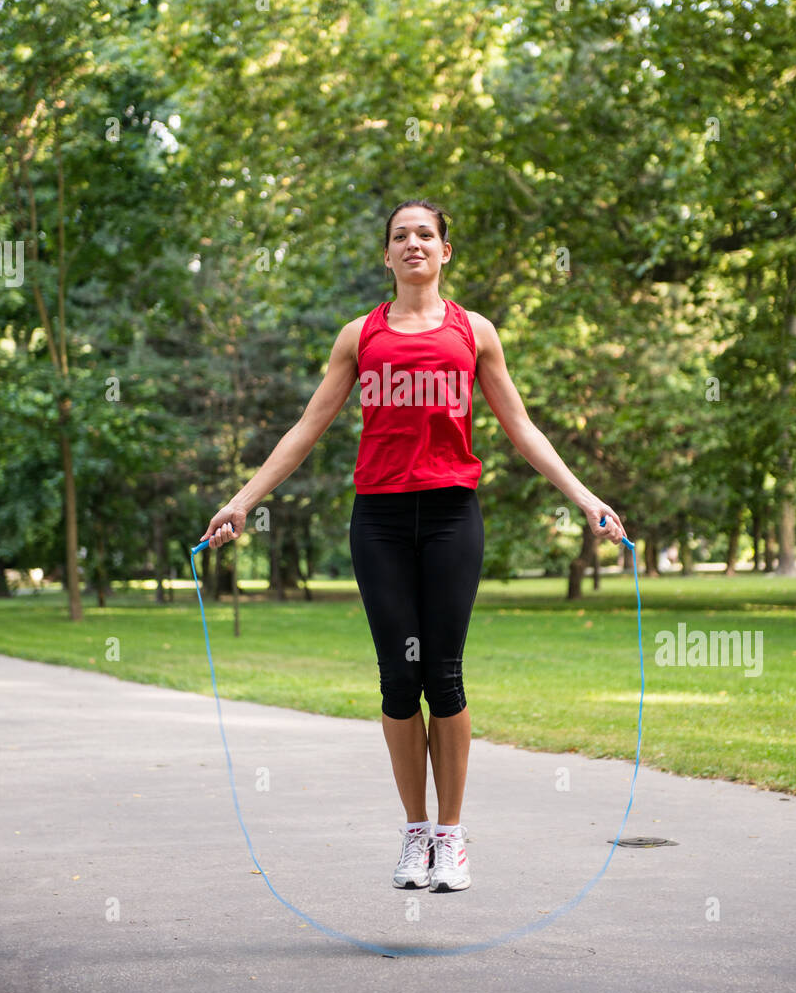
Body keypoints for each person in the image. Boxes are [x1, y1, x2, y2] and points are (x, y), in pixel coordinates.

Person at [199, 199, 627, 893]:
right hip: (381, 522)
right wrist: (243, 500)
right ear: (388, 255)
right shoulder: (358, 336)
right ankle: (415, 832)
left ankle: (452, 837)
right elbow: (308, 428)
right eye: (400, 236)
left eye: (424, 234)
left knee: (444, 676)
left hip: (453, 518)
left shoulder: (475, 332)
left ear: (444, 250)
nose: (412, 244)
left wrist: (584, 498)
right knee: (399, 680)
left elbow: (519, 427)